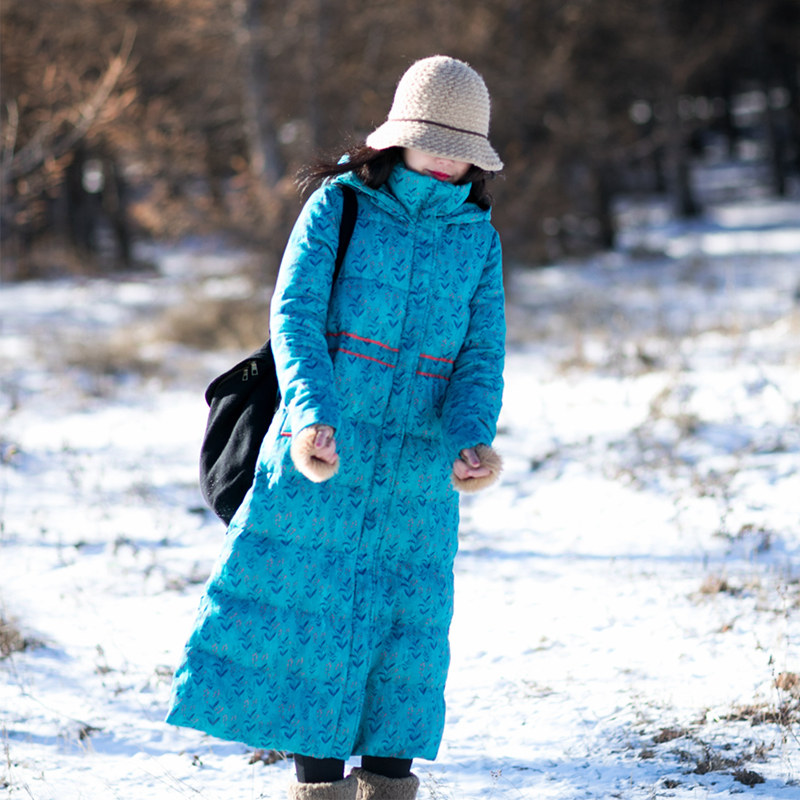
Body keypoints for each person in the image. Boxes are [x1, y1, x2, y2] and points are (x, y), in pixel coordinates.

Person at [166, 55, 506, 800]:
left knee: (405, 649)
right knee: (308, 644)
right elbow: (293, 319)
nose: (445, 159)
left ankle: (389, 789)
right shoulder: (339, 206)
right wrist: (311, 417)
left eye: (459, 148)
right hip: (323, 456)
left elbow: (481, 355)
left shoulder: (477, 238)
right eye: (432, 141)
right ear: (399, 135)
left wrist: (471, 438)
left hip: (418, 480)